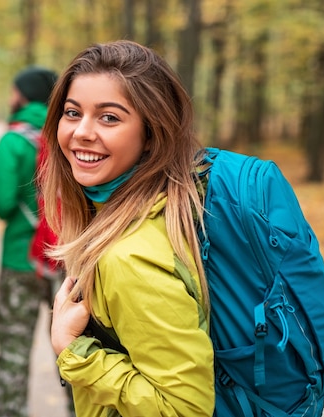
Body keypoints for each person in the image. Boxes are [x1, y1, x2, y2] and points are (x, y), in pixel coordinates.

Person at [43, 40, 215, 416]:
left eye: (109, 118)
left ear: (152, 134)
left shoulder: (129, 257)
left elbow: (186, 409)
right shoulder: (161, 210)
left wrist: (74, 351)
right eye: (72, 113)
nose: (81, 132)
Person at [0, 66, 69, 417]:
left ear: (23, 95)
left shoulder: (13, 140)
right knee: (72, 352)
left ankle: (9, 410)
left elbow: (2, 203)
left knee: (14, 350)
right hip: (67, 264)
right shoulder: (67, 135)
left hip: (20, 261)